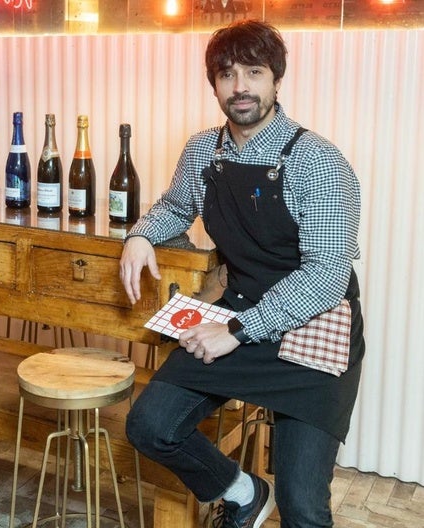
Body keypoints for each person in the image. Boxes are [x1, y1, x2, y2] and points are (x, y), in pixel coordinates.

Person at [119, 20, 364, 528]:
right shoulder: (203, 151)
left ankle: (280, 499)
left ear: (277, 79)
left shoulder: (318, 161)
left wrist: (235, 330)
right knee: (150, 426)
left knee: (303, 508)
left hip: (312, 331)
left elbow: (326, 276)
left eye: (254, 72)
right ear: (214, 84)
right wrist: (141, 234)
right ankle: (244, 492)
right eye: (227, 75)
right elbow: (174, 207)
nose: (241, 87)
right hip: (238, 312)